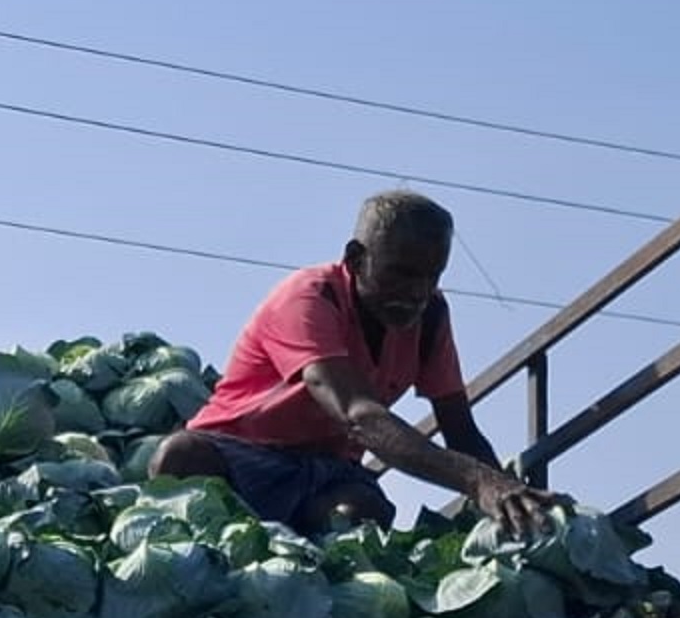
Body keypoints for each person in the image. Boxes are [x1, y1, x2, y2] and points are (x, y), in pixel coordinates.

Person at [152, 191, 560, 540]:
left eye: (431, 276)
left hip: (326, 473)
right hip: (241, 455)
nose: (417, 292)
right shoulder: (311, 297)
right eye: (400, 274)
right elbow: (357, 414)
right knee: (181, 456)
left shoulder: (431, 316)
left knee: (365, 515)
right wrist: (478, 482)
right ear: (356, 258)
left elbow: (461, 429)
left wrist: (514, 496)